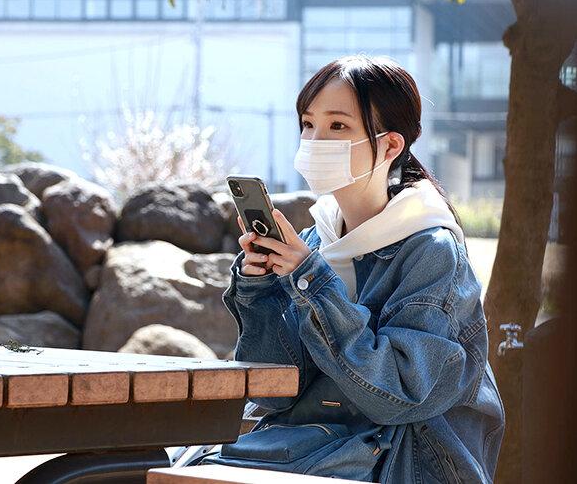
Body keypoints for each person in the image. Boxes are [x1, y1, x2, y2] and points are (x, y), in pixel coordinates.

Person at [198, 54, 505, 483]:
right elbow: (274, 394)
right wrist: (260, 289)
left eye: (338, 126)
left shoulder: (431, 251)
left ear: (391, 146)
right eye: (308, 124)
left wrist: (314, 283)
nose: (315, 140)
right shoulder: (314, 241)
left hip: (399, 464)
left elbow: (396, 394)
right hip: (313, 453)